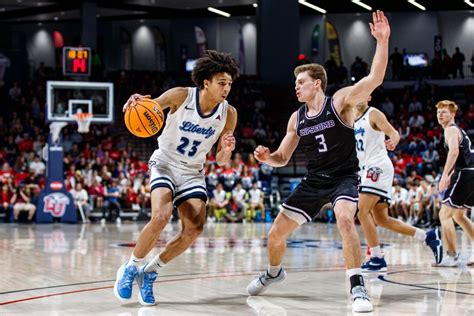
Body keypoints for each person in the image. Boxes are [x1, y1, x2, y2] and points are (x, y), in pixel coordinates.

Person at [246, 10, 390, 313]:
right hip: (314, 182)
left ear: (317, 84)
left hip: (344, 177)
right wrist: (266, 157)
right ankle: (274, 273)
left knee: (344, 219)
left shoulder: (340, 102)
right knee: (275, 235)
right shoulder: (296, 119)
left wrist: (383, 41)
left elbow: (374, 78)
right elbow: (282, 158)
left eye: (301, 82)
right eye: (296, 83)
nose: (296, 86)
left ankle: (357, 288)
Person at [114, 50, 239, 306]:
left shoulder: (229, 114)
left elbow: (220, 161)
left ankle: (150, 271)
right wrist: (135, 102)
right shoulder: (181, 95)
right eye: (221, 82)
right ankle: (130, 268)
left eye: (229, 83)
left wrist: (226, 149)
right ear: (206, 83)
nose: (227, 88)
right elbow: (150, 106)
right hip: (165, 163)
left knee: (194, 229)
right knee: (160, 216)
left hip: (193, 171)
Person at [354, 96, 442, 273]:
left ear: (370, 97)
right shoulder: (351, 119)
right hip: (366, 169)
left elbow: (393, 132)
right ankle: (427, 236)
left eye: (365, 92)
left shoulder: (373, 113)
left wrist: (393, 140)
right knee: (380, 218)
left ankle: (377, 257)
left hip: (377, 166)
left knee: (362, 211)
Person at [436, 100, 474, 266]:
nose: (440, 114)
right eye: (438, 112)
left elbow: (454, 151)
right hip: (470, 172)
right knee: (458, 215)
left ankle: (451, 255)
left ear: (452, 115)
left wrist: (445, 174)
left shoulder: (450, 130)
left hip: (465, 174)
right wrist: (451, 173)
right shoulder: (458, 131)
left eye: (444, 112)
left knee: (444, 214)